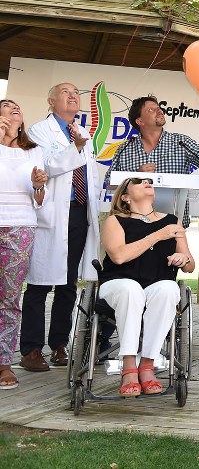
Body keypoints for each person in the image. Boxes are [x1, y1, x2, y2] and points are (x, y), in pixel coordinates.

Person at [21, 82, 101, 372]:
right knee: (40, 282)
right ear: (51, 101)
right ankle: (30, 348)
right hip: (52, 214)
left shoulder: (83, 133)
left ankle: (58, 345)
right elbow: (45, 167)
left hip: (79, 213)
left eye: (76, 93)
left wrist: (79, 145)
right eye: (65, 93)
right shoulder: (39, 131)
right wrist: (74, 148)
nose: (72, 96)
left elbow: (89, 175)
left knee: (68, 283)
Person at [98, 177, 193, 396]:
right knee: (130, 288)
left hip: (155, 285)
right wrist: (159, 235)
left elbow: (190, 265)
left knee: (169, 289)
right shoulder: (115, 220)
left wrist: (182, 258)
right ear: (125, 196)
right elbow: (119, 256)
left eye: (149, 181)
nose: (147, 182)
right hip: (118, 284)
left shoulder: (172, 221)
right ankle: (129, 367)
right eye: (139, 181)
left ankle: (147, 365)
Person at [104, 95, 199, 228]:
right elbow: (108, 181)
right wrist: (135, 176)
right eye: (151, 110)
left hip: (173, 224)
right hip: (133, 225)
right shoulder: (124, 149)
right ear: (140, 121)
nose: (159, 111)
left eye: (158, 108)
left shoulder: (181, 142)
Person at [0, 100, 48, 390]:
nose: (14, 107)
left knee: (9, 299)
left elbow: (40, 200)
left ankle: (4, 363)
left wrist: (39, 185)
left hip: (20, 227)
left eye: (17, 106)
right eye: (5, 105)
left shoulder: (34, 151)